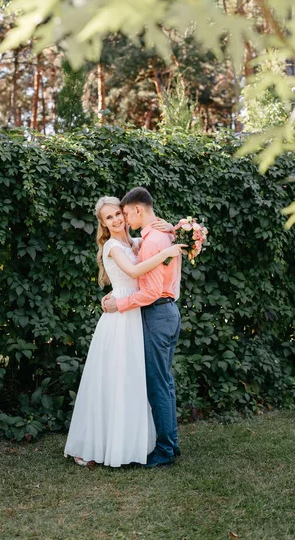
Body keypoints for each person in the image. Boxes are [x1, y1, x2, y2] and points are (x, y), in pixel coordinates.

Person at [64, 196, 184, 468]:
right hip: (120, 318)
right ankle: (100, 443)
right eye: (109, 218)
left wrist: (171, 228)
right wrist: (164, 254)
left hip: (136, 315)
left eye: (119, 213)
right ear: (103, 225)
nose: (117, 219)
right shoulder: (112, 246)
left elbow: (154, 235)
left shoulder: (135, 243)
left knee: (134, 383)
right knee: (114, 381)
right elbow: (132, 270)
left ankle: (133, 443)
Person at [103, 187, 181, 468]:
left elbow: (149, 292)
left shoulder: (151, 242)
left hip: (156, 314)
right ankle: (170, 445)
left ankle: (164, 450)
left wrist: (119, 304)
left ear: (137, 209)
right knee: (165, 382)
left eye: (124, 213)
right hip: (170, 311)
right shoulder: (165, 235)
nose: (124, 219)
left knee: (158, 385)